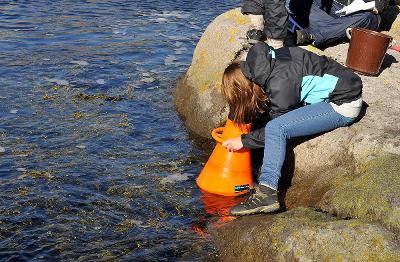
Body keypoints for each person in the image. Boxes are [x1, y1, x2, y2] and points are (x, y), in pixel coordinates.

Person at [221, 42, 363, 215]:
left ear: (244, 89)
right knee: (269, 122)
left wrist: (244, 141)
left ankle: (267, 192)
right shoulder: (268, 61)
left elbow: (277, 129)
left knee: (276, 128)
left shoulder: (281, 83)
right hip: (340, 84)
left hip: (342, 104)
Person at [242, 0, 389, 48]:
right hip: (327, 10)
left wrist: (374, 4)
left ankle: (311, 35)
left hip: (355, 15)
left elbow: (380, 5)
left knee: (370, 19)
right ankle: (259, 26)